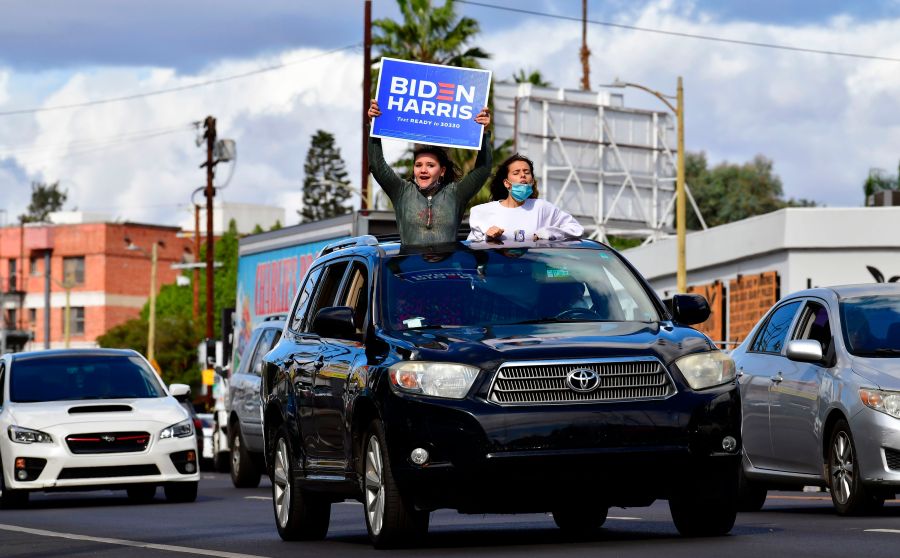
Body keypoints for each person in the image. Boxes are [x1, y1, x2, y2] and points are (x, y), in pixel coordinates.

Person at [368, 100, 492, 245]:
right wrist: (374, 127)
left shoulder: (456, 193)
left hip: (447, 267)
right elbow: (377, 166)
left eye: (430, 165)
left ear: (442, 171)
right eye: (418, 165)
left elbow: (483, 170)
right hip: (411, 267)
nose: (423, 170)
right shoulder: (401, 191)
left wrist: (482, 134)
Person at [467, 153, 583, 242]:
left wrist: (548, 233)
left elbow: (576, 229)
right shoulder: (482, 211)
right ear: (507, 183)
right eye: (516, 173)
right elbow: (470, 249)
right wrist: (487, 238)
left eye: (527, 172)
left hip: (533, 271)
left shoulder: (542, 207)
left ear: (531, 181)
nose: (523, 175)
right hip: (497, 272)